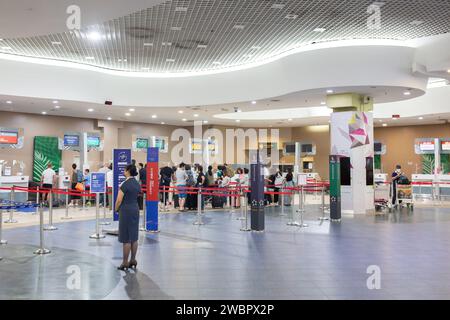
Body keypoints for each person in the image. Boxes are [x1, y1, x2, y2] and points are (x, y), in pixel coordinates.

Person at [115, 164, 141, 271]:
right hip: (135, 209)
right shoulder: (137, 183)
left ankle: (125, 262)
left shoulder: (124, 184)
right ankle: (133, 260)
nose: (123, 171)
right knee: (134, 237)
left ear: (128, 171)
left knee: (126, 238)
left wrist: (116, 209)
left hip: (126, 210)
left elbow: (119, 200)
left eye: (125, 170)